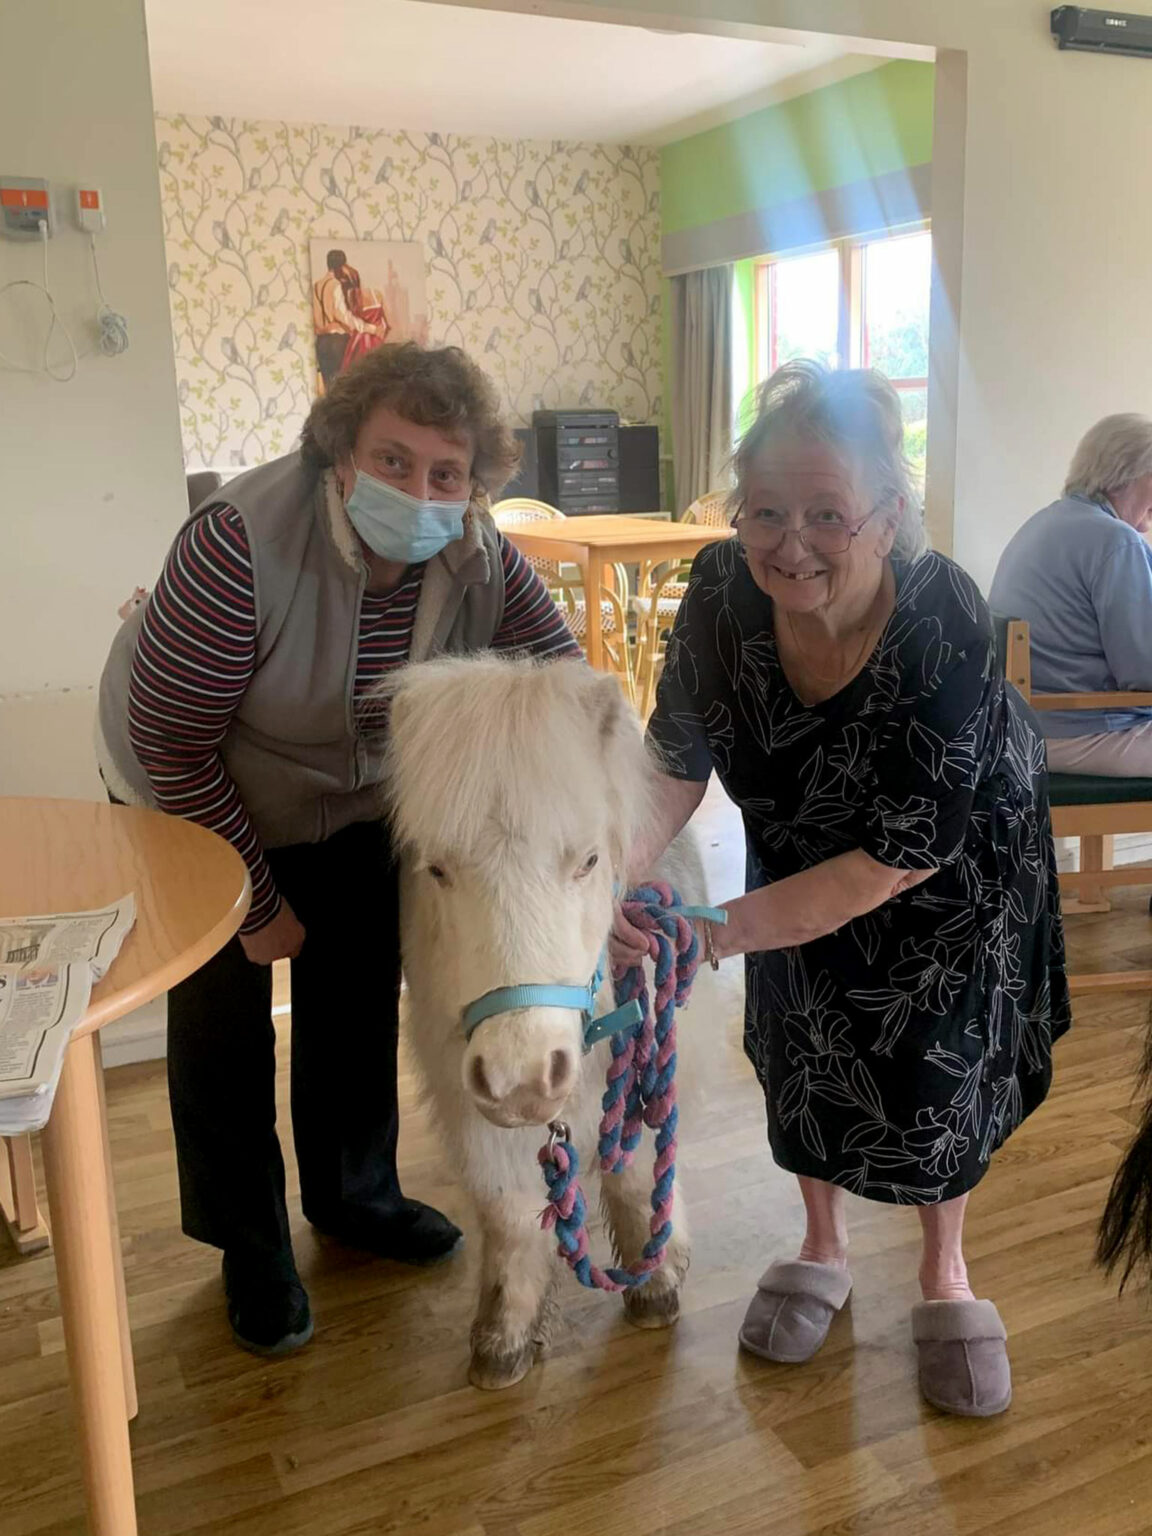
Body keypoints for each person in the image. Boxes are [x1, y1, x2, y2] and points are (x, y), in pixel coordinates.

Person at [97, 343, 581, 1356]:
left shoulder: (479, 554)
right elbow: (169, 741)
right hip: (194, 786)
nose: (420, 491)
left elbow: (567, 689)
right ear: (341, 453)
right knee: (224, 1023)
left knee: (356, 993)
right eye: (394, 461)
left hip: (353, 797)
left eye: (446, 473)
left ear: (474, 484)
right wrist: (258, 899)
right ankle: (249, 1247)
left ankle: (355, 1197)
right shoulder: (240, 543)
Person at [612, 361, 1070, 1417]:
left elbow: (895, 858)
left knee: (934, 1066)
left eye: (828, 513)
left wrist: (710, 930)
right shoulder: (721, 593)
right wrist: (615, 882)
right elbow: (672, 761)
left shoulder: (945, 612)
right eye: (766, 510)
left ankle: (945, 1272)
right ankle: (822, 1246)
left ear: (889, 515)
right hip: (798, 840)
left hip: (950, 857)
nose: (791, 542)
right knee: (802, 1041)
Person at [989, 414, 1152, 775]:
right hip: (1084, 731)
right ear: (1125, 474)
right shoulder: (1116, 540)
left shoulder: (1045, 522)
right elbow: (1144, 672)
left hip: (1024, 727)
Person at [312, 248, 389, 390]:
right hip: (338, 341)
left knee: (329, 388)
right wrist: (370, 328)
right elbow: (342, 315)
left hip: (321, 343)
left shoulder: (317, 285)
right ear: (342, 265)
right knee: (340, 387)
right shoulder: (336, 284)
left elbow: (317, 319)